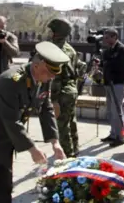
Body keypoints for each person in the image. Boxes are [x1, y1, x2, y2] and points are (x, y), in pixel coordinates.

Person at [0, 41, 69, 203]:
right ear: (37, 65)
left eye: (54, 74)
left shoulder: (43, 79)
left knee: (4, 189)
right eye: (49, 72)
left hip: (5, 140)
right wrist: (32, 148)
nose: (51, 77)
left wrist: (55, 142)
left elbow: (46, 108)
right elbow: (11, 119)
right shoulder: (11, 81)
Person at [47, 18, 86, 158]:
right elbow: (80, 68)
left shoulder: (54, 49)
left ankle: (67, 157)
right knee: (71, 122)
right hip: (72, 90)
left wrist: (54, 100)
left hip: (62, 92)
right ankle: (75, 150)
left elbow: (56, 77)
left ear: (55, 33)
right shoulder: (70, 48)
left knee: (62, 126)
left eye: (51, 31)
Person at [100, 28, 124, 147]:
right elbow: (105, 64)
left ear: (114, 37)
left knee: (116, 111)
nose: (105, 40)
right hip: (108, 82)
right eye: (104, 37)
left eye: (107, 37)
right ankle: (113, 134)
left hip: (117, 83)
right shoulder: (108, 50)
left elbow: (120, 66)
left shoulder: (121, 49)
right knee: (110, 111)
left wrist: (108, 62)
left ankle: (120, 137)